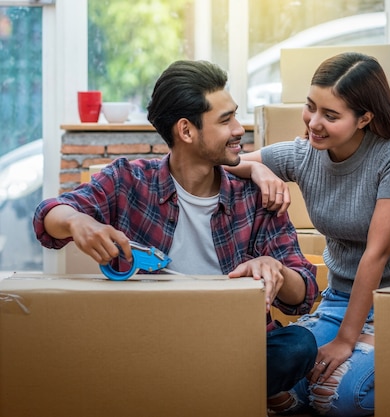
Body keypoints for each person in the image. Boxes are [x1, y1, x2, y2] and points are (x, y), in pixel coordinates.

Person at [32, 59, 319, 405]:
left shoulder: (257, 197)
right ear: (186, 131)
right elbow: (47, 217)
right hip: (150, 339)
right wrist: (79, 221)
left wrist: (275, 268)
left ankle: (180, 392)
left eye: (235, 116)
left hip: (232, 343)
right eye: (225, 120)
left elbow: (303, 292)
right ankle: (218, 393)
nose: (239, 128)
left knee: (299, 347)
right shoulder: (128, 180)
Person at [229, 52, 390, 416]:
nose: (314, 123)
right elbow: (226, 162)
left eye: (331, 116)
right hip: (338, 300)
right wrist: (259, 172)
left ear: (364, 118)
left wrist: (346, 341)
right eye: (310, 107)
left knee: (344, 397)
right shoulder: (303, 154)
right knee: (256, 375)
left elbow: (376, 254)